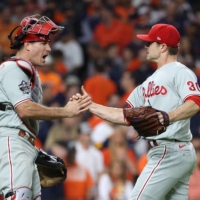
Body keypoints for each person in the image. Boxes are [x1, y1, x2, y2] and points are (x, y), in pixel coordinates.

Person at [73, 24, 200, 199]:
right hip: (172, 151)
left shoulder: (180, 71)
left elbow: (195, 103)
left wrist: (167, 117)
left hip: (169, 151)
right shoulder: (147, 83)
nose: (146, 46)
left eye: (150, 43)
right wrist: (90, 105)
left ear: (163, 47)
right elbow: (123, 116)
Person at [0, 15, 91, 200]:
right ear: (27, 45)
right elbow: (24, 109)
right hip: (11, 140)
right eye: (43, 42)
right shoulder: (13, 68)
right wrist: (65, 112)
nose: (49, 48)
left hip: (23, 141)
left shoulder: (27, 71)